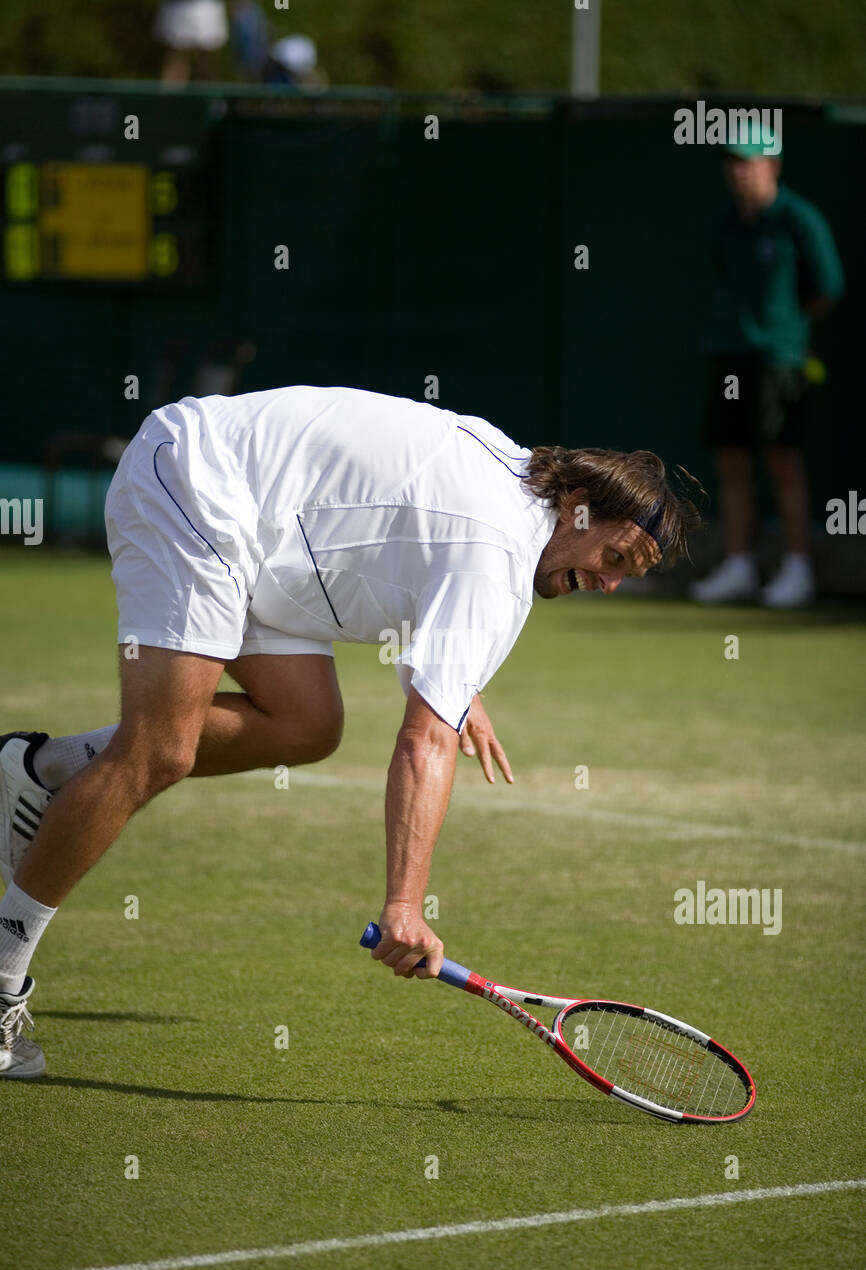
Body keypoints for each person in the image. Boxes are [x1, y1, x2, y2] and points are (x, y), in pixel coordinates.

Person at [0, 386, 699, 1077]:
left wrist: (462, 686)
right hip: (199, 481)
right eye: (615, 559)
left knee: (308, 725)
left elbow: (431, 547)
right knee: (159, 751)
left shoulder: (519, 487)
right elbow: (424, 740)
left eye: (627, 577)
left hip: (263, 523)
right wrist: (404, 905)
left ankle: (42, 770)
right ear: (580, 510)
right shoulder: (500, 552)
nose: (609, 585)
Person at [691, 132, 844, 608]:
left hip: (780, 358)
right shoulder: (727, 224)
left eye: (749, 163)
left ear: (772, 166)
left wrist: (785, 332)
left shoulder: (799, 221)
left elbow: (826, 289)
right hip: (730, 354)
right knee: (731, 461)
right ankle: (740, 564)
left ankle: (797, 568)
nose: (740, 171)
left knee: (783, 460)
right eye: (733, 163)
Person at [155, 0, 229, 86]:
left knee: (207, 59)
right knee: (177, 57)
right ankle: (171, 97)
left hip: (208, 8)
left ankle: (208, 96)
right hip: (177, 8)